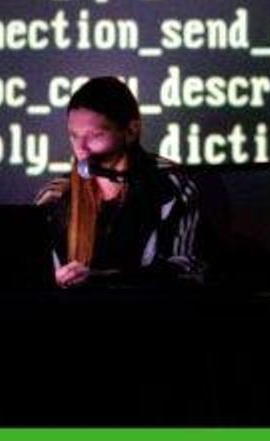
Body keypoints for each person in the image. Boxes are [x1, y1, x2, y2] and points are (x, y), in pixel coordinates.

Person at [35, 77, 204, 287]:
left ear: (131, 131)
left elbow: (188, 269)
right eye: (74, 136)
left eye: (95, 135)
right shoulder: (55, 196)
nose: (81, 149)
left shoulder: (170, 184)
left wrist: (103, 279)